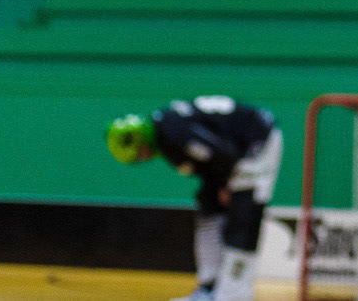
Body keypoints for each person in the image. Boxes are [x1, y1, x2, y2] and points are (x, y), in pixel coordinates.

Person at [107, 96, 282, 301]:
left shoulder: (173, 132)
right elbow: (212, 160)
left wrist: (226, 184)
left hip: (256, 141)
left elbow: (223, 153)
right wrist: (220, 185)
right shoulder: (166, 134)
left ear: (141, 138)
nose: (145, 157)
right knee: (208, 209)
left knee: (244, 216)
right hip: (230, 157)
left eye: (141, 153)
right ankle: (208, 288)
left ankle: (233, 295)